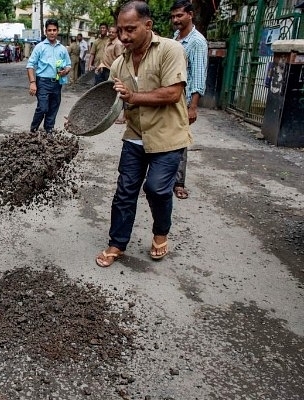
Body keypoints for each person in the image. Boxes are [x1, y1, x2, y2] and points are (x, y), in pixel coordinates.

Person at [95, 1, 192, 267]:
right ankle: (117, 243)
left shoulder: (171, 50)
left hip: (167, 136)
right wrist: (81, 121)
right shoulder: (118, 64)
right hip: (135, 135)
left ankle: (160, 232)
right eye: (120, 30)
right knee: (124, 191)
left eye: (130, 29)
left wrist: (134, 96)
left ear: (147, 25)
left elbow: (173, 93)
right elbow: (111, 102)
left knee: (157, 189)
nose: (124, 36)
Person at [170, 0, 208, 200]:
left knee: (179, 140)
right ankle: (165, 177)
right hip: (170, 97)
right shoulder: (176, 38)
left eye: (180, 15)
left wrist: (193, 106)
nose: (176, 20)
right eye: (174, 16)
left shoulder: (197, 42)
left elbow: (199, 75)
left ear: (190, 15)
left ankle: (178, 182)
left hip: (184, 101)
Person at [26, 18, 71, 135]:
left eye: (54, 30)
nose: (52, 32)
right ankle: (33, 130)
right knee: (43, 108)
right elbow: (30, 65)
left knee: (53, 109)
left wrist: (65, 71)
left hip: (57, 83)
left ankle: (48, 131)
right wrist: (32, 82)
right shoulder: (40, 47)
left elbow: (69, 65)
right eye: (49, 30)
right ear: (46, 32)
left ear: (58, 31)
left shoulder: (62, 49)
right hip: (42, 82)